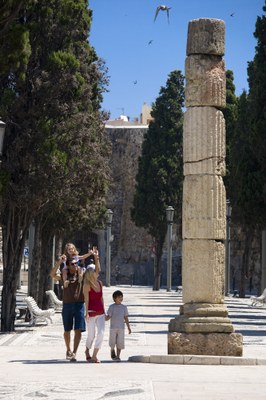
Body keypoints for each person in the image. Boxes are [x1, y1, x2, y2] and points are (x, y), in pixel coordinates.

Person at [83, 257, 105, 363]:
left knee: (101, 333)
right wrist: (86, 312)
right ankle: (87, 350)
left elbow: (101, 298)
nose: (97, 273)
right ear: (91, 273)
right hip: (91, 313)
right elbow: (86, 300)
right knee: (91, 335)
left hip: (100, 312)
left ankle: (94, 355)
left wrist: (97, 258)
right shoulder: (86, 285)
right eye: (95, 271)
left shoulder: (100, 283)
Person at [105, 290, 131, 361]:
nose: (121, 298)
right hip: (113, 328)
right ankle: (112, 349)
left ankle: (118, 356)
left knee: (120, 342)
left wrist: (129, 327)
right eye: (119, 297)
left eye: (121, 297)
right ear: (114, 298)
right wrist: (102, 318)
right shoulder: (112, 307)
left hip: (121, 328)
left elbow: (126, 317)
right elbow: (108, 317)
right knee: (112, 342)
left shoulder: (124, 307)